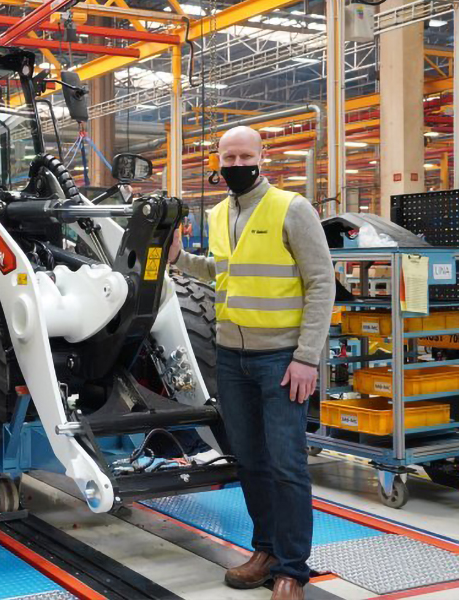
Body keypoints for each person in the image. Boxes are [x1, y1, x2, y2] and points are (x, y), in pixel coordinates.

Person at [168, 126, 334, 600]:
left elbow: (321, 283)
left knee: (286, 464)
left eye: (245, 155)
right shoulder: (219, 213)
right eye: (229, 157)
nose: (237, 164)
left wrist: (307, 357)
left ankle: (291, 569)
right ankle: (263, 552)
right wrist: (181, 259)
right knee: (251, 461)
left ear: (262, 158)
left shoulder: (292, 208)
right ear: (217, 162)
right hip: (232, 359)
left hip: (282, 361)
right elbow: (224, 272)